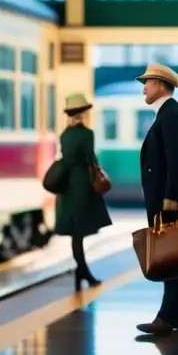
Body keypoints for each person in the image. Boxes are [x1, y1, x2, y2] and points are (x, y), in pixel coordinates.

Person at [135, 62, 178, 336]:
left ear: (161, 84)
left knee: (173, 259)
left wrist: (171, 199)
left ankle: (167, 317)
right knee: (177, 259)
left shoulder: (171, 115)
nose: (144, 89)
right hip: (168, 201)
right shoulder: (168, 114)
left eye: (147, 83)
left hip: (171, 203)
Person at [53, 92, 112, 291]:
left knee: (75, 233)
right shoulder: (87, 134)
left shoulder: (64, 135)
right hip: (81, 186)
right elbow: (90, 159)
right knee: (80, 232)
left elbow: (67, 157)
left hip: (66, 187)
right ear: (83, 113)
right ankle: (84, 272)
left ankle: (81, 273)